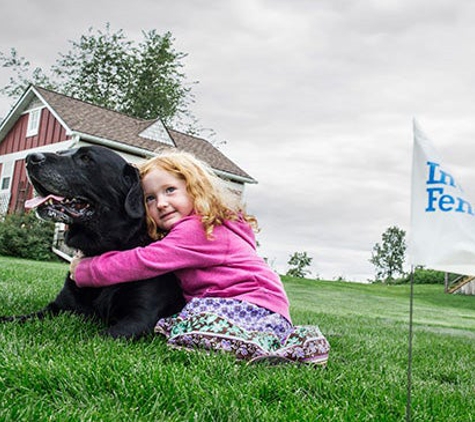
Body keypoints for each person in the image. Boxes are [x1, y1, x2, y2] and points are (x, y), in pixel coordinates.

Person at [70, 151, 330, 365]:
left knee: (190, 327)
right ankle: (263, 347)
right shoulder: (208, 226)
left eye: (170, 190)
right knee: (180, 326)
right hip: (262, 310)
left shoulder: (195, 231)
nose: (161, 203)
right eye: (150, 198)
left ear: (195, 191)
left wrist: (86, 270)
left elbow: (144, 261)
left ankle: (273, 352)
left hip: (248, 305)